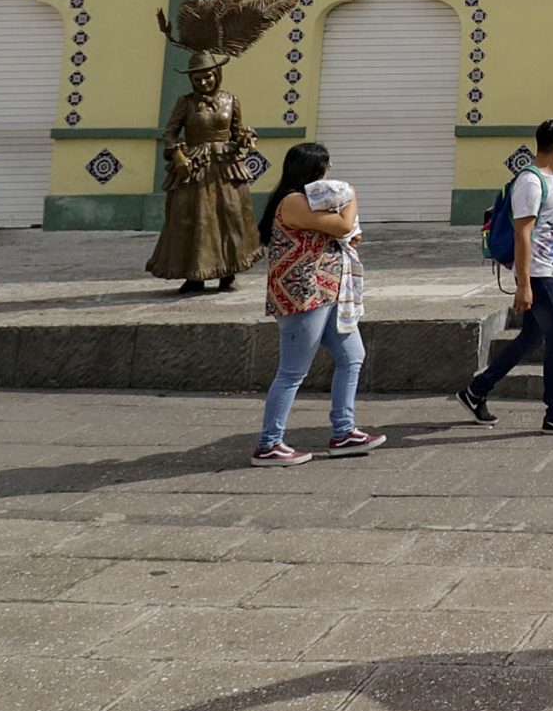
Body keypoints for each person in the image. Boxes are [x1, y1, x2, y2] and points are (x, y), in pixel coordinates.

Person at [456, 118, 553, 435]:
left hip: (552, 271)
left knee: (533, 337)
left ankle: (476, 391)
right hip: (542, 276)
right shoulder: (531, 182)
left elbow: (543, 225)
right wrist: (524, 285)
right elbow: (523, 234)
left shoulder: (550, 178)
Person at [252, 142, 385, 466]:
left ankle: (344, 431)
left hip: (327, 292)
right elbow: (341, 225)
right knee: (292, 372)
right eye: (325, 167)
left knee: (352, 355)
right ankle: (269, 443)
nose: (328, 173)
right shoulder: (293, 201)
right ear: (312, 170)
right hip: (302, 295)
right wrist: (351, 196)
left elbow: (337, 232)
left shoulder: (307, 201)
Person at [146, 52, 262, 295]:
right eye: (198, 79)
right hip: (195, 166)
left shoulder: (231, 100)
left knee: (229, 217)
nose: (204, 83)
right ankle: (194, 275)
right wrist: (177, 154)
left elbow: (237, 130)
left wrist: (245, 138)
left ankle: (228, 273)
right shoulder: (185, 103)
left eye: (208, 77)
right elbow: (169, 133)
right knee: (192, 218)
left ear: (217, 74)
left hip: (226, 165)